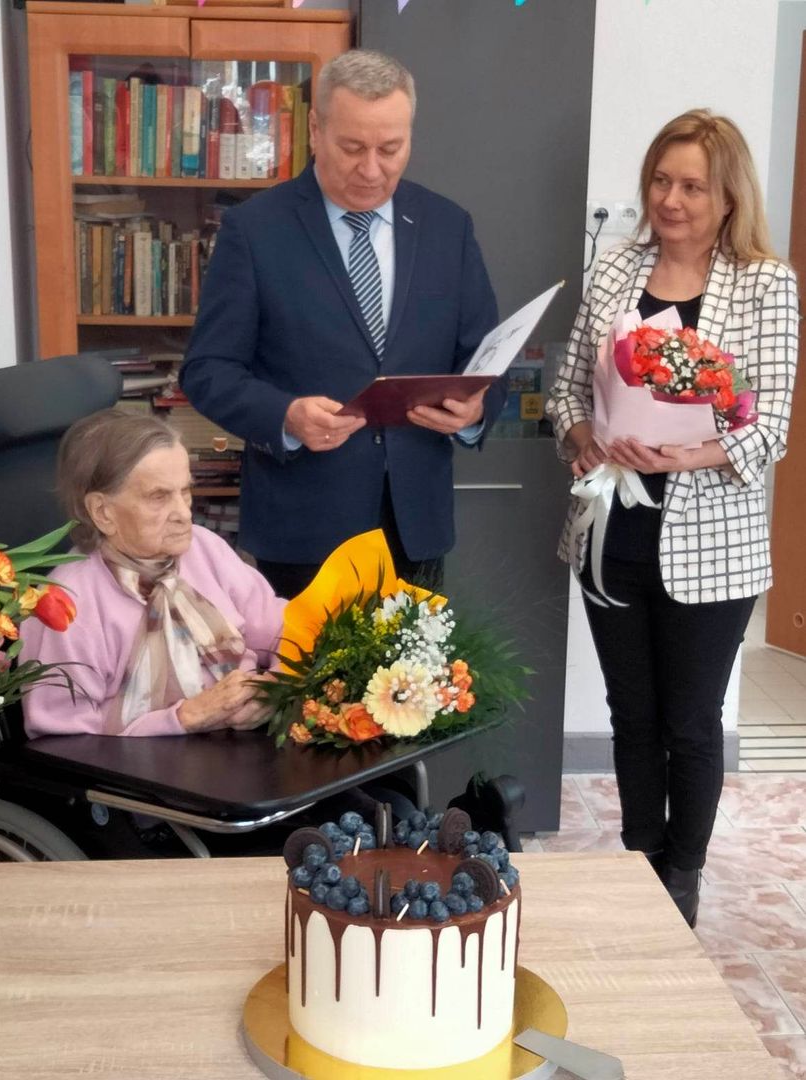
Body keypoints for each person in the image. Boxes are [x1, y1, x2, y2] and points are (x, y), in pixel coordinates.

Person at [546, 110, 799, 927]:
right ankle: (639, 860)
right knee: (633, 715)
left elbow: (769, 426)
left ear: (728, 198)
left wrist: (686, 453)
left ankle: (681, 876)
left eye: (692, 186)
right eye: (661, 180)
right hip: (612, 532)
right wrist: (583, 438)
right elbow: (565, 391)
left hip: (711, 545)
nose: (671, 200)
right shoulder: (616, 269)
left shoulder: (765, 284)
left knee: (690, 723)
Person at [180, 48, 505, 600]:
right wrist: (285, 415)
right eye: (352, 147)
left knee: (421, 663)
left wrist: (475, 411)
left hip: (414, 525)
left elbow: (487, 359)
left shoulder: (447, 226)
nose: (372, 169)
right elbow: (208, 370)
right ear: (315, 129)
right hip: (303, 528)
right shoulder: (255, 230)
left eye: (390, 149)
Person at [21, 409, 286, 738]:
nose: (183, 513)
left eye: (185, 491)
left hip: (252, 740)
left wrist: (274, 687)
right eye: (159, 497)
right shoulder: (67, 602)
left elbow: (289, 629)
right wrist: (185, 717)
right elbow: (64, 740)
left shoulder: (204, 548)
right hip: (143, 765)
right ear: (103, 512)